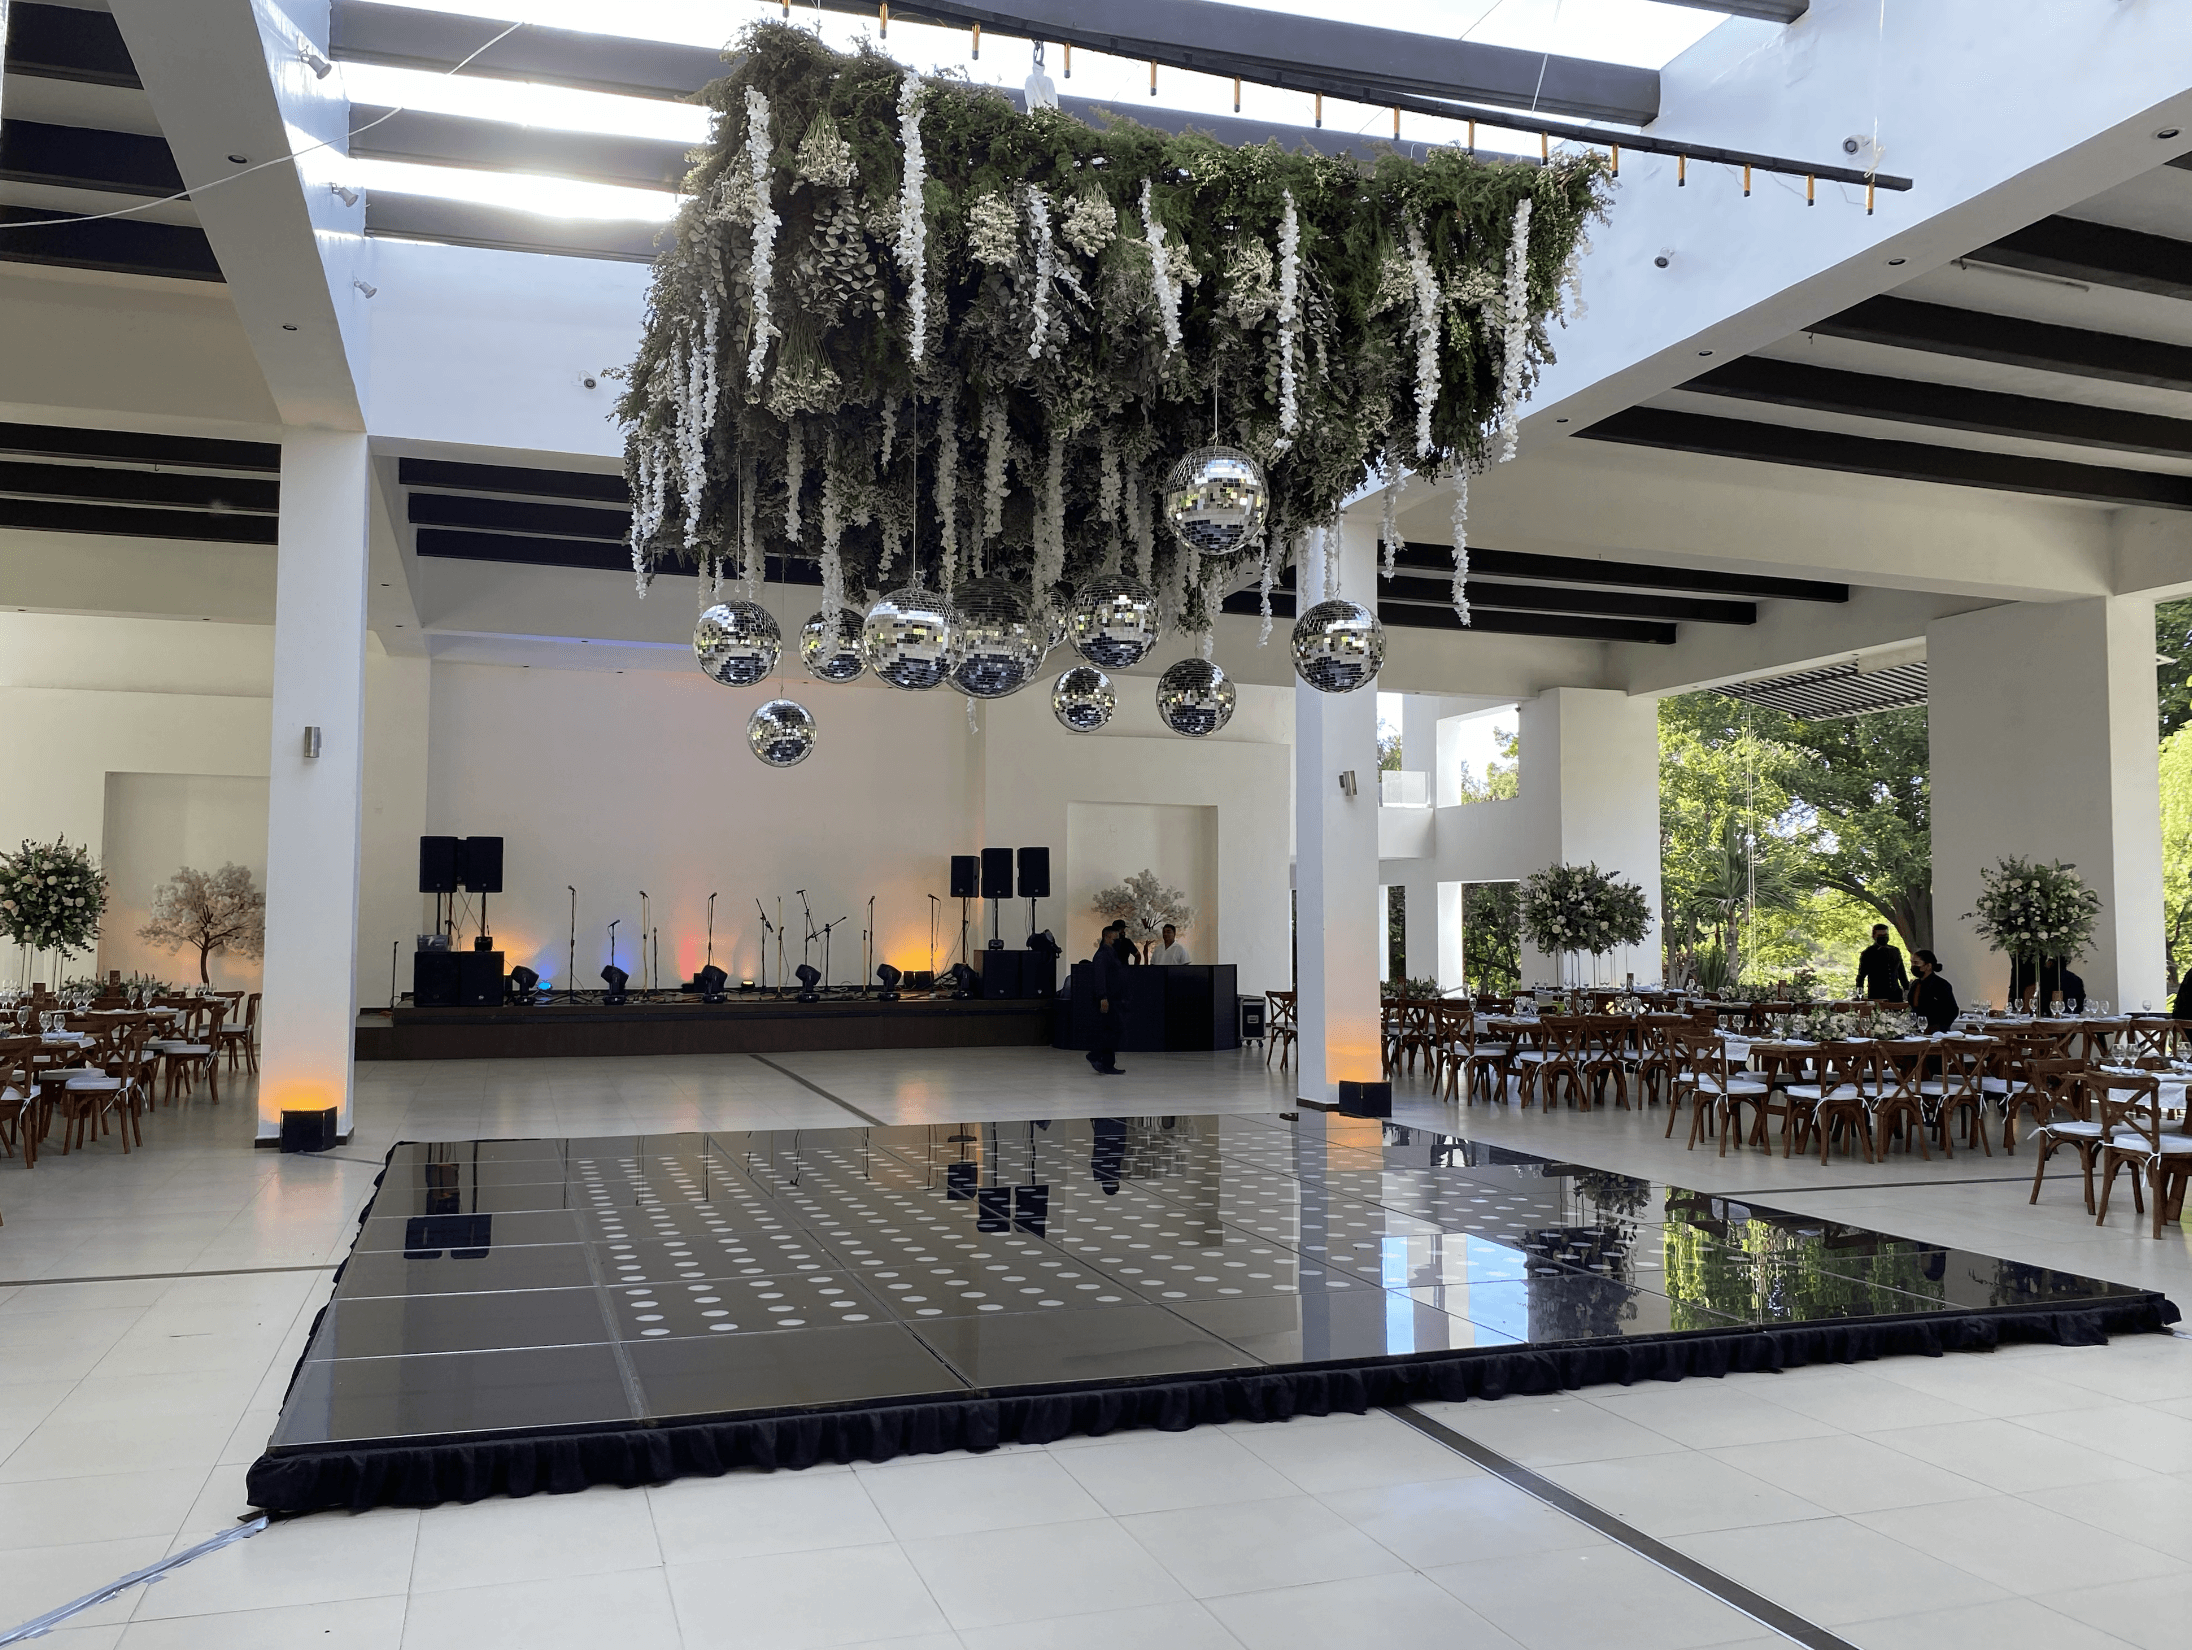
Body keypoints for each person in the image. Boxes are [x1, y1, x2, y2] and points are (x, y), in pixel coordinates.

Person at [1086, 922, 1129, 1076]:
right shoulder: (1102, 955)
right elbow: (1100, 977)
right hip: (1108, 998)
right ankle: (1097, 1056)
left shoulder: (1111, 953)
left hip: (1114, 998)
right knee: (1113, 1030)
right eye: (1115, 937)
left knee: (1112, 1031)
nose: (1118, 939)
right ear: (1107, 937)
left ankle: (1105, 1062)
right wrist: (1102, 997)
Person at [1854, 925, 1910, 1002]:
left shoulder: (1895, 951)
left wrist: (1907, 990)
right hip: (1876, 995)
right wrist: (1859, 995)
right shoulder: (1868, 953)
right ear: (1873, 936)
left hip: (1896, 994)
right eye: (1880, 936)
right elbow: (1861, 976)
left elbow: (1901, 972)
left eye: (1885, 935)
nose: (1883, 938)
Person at [1909, 949, 1960, 1032]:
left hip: (1935, 1030)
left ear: (1928, 966)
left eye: (1916, 963)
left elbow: (1952, 1010)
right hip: (1916, 1028)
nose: (1913, 966)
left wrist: (1939, 1028)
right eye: (1912, 963)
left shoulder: (1941, 984)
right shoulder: (1915, 984)